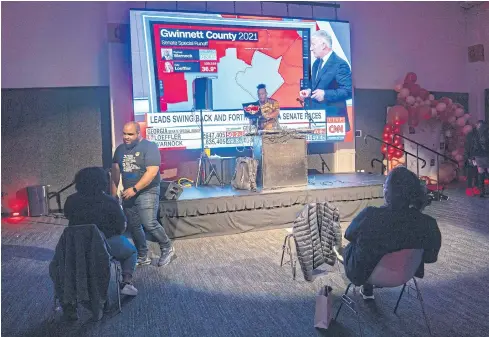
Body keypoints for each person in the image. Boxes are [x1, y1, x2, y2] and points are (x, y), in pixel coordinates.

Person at [342, 166, 442, 300]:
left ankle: (367, 286)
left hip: (366, 272)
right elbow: (430, 257)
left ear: (388, 191)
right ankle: (368, 287)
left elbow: (349, 235)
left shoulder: (370, 215)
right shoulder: (428, 223)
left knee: (353, 246)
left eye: (385, 185)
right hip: (405, 274)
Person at [64, 167, 138, 296]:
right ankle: (126, 282)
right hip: (104, 246)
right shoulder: (110, 201)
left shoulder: (70, 200)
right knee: (131, 251)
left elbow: (68, 216)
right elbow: (121, 226)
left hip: (76, 248)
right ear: (103, 182)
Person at [111, 122, 175, 267]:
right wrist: (114, 194)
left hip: (147, 190)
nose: (126, 137)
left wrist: (134, 189)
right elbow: (115, 172)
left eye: (130, 134)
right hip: (128, 192)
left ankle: (167, 247)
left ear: (138, 133)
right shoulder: (120, 150)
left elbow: (151, 172)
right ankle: (142, 255)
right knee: (133, 225)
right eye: (124, 134)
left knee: (149, 222)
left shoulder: (149, 146)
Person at [298, 30, 352, 131]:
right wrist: (309, 91)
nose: (310, 48)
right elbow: (315, 86)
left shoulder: (340, 64)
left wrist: (325, 94)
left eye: (313, 44)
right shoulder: (316, 64)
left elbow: (348, 92)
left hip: (334, 123)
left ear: (323, 45)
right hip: (317, 121)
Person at [465, 120, 489, 197]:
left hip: (477, 156)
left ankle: (481, 192)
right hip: (485, 155)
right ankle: (484, 190)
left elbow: (470, 146)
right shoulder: (486, 133)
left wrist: (471, 157)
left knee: (479, 172)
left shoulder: (473, 134)